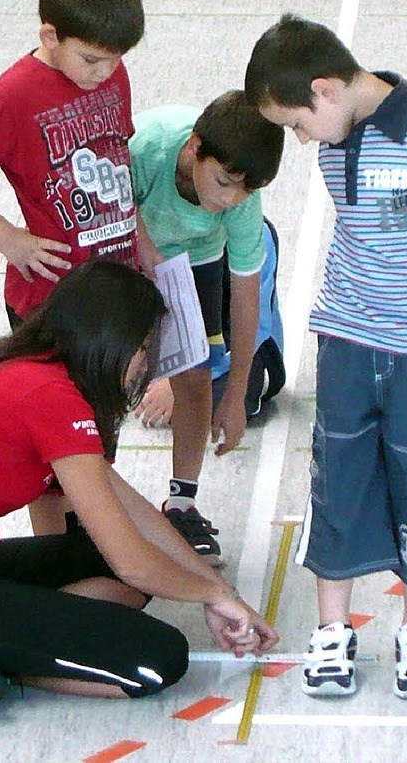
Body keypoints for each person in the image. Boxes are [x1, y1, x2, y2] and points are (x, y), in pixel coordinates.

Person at [0, 261, 278, 718]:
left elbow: (127, 508)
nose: (143, 364)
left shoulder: (26, 368)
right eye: (142, 348)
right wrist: (210, 597)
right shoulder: (52, 399)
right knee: (157, 661)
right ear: (109, 340)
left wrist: (216, 586)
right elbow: (133, 562)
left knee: (107, 563)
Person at [245, 13, 407, 699]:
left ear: (324, 90)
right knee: (340, 476)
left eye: (296, 123)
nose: (299, 141)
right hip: (348, 341)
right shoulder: (334, 147)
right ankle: (333, 630)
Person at [0, 0, 159, 533]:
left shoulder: (112, 74)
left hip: (110, 287)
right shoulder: (15, 94)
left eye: (116, 60)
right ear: (49, 35)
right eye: (92, 59)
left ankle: (92, 535)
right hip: (50, 303)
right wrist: (11, 240)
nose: (106, 71)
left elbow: (116, 160)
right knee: (55, 451)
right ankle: (59, 552)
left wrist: (142, 238)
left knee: (99, 433)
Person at [129, 90, 285, 565]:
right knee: (115, 371)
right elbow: (112, 205)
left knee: (196, 378)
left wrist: (236, 393)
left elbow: (244, 294)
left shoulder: (240, 202)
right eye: (222, 183)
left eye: (243, 191)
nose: (228, 200)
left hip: (195, 260)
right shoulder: (144, 148)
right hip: (128, 241)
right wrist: (146, 251)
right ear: (194, 147)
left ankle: (182, 502)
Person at [136, 216, 285, 426]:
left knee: (230, 396)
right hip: (170, 345)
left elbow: (251, 332)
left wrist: (176, 382)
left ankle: (162, 393)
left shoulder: (254, 234)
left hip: (235, 354)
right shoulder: (158, 219)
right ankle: (154, 390)